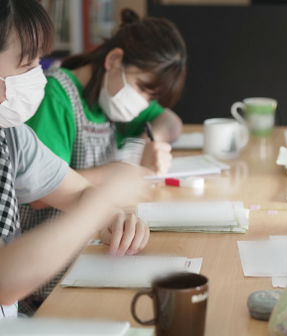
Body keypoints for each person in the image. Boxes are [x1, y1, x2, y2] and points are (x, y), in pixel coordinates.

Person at [0, 0, 150, 317]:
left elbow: (78, 192)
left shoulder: (11, 135)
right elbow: (5, 282)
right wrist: (103, 200)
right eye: (27, 65)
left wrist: (114, 218)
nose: (38, 75)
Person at [20, 9, 187, 232]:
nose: (143, 104)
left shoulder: (111, 97)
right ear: (114, 60)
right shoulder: (56, 97)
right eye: (142, 89)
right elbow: (39, 193)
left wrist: (150, 142)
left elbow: (171, 122)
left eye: (152, 98)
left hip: (90, 232)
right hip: (46, 242)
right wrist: (116, 172)